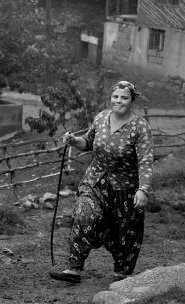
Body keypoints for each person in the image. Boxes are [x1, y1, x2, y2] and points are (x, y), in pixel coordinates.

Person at [49, 80, 154, 283]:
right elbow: (87, 142)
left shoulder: (140, 127)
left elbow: (145, 161)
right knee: (83, 214)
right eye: (115, 96)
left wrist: (143, 189)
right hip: (95, 181)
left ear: (132, 100)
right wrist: (73, 140)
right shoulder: (101, 117)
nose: (118, 101)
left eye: (124, 97)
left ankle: (121, 275)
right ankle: (73, 268)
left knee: (123, 234)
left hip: (125, 188)